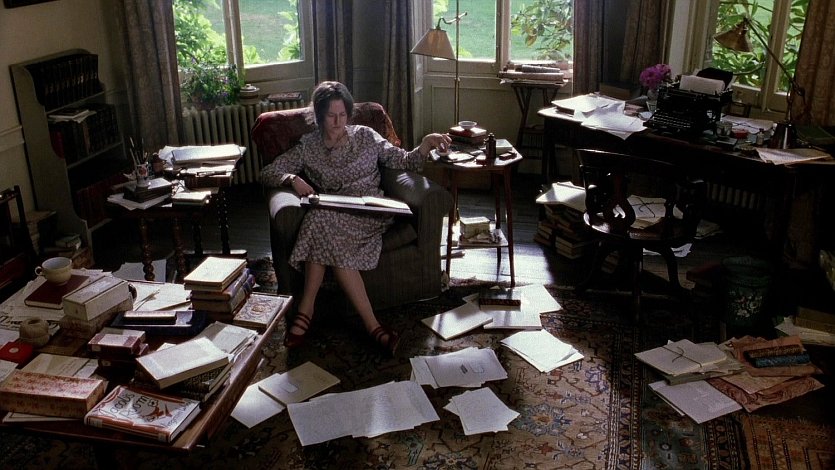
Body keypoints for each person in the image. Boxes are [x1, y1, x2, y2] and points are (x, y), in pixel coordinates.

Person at [260, 81, 450, 355]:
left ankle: (304, 311)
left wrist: (424, 145)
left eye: (343, 115)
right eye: (331, 116)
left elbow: (403, 161)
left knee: (318, 220)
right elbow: (267, 173)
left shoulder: (366, 136)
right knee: (321, 219)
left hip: (371, 212)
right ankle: (373, 326)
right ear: (319, 115)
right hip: (335, 213)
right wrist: (292, 179)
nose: (338, 122)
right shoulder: (308, 147)